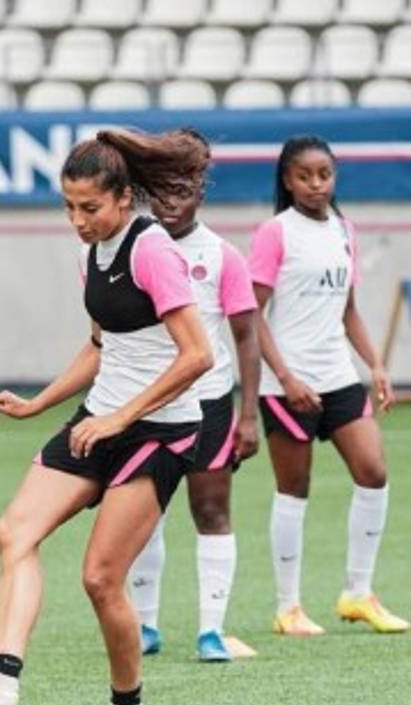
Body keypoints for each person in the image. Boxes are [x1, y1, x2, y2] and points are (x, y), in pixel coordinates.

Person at [0, 129, 213, 705]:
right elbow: (101, 344)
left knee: (101, 578)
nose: (78, 221)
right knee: (15, 532)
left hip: (160, 430)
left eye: (90, 208)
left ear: (123, 198)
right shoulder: (93, 253)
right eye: (69, 207)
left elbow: (198, 357)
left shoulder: (152, 250)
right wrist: (37, 404)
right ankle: (1, 680)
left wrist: (119, 418)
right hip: (101, 416)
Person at [248, 135, 406, 636]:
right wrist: (287, 377)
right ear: (287, 180)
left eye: (324, 174)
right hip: (286, 383)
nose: (316, 184)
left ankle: (358, 594)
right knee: (294, 490)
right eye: (304, 176)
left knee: (374, 472)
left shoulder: (344, 229)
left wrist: (376, 365)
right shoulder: (276, 233)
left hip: (339, 376)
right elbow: (251, 316)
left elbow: (348, 309)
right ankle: (287, 606)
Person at [126, 130, 262, 663]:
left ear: (201, 192)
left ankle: (211, 630)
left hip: (208, 403)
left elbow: (247, 336)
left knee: (211, 508)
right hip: (151, 404)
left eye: (182, 190)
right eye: (161, 192)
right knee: (144, 513)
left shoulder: (223, 255)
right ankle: (145, 625)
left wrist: (248, 415)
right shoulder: (133, 250)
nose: (171, 202)